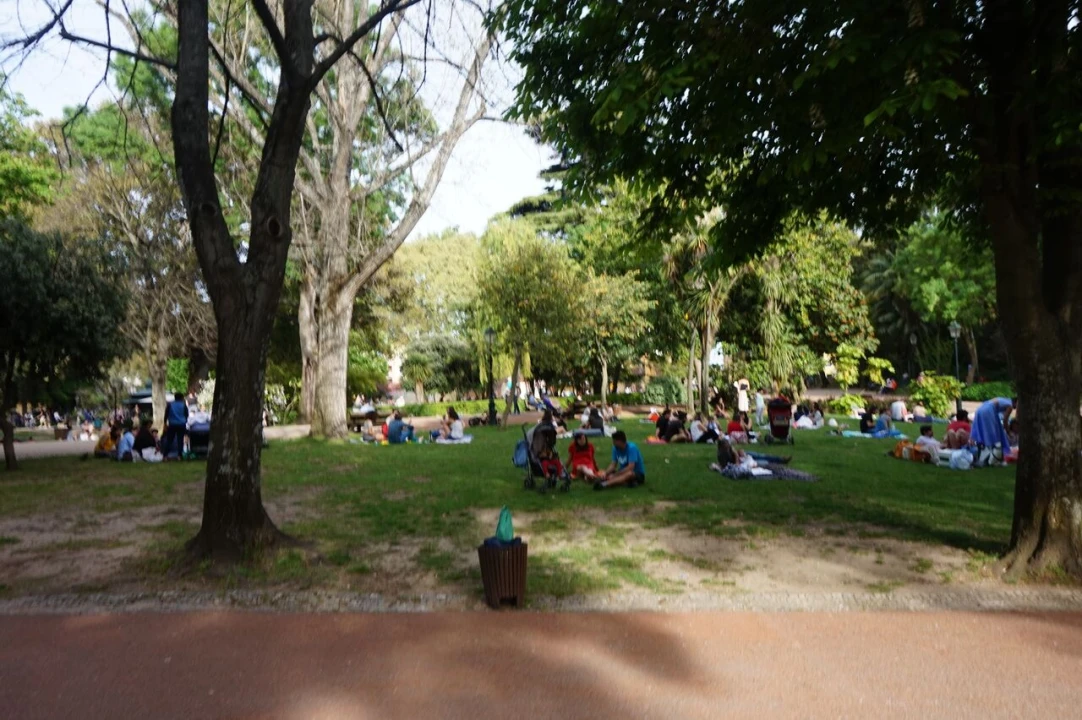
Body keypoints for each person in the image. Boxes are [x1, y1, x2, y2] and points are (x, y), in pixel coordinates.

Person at [163, 391, 189, 459]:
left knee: (169, 440)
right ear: (181, 398)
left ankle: (165, 455)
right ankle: (179, 456)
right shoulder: (183, 405)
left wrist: (165, 423)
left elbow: (166, 414)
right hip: (181, 424)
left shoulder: (170, 404)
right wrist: (185, 420)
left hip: (172, 424)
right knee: (180, 440)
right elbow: (186, 414)